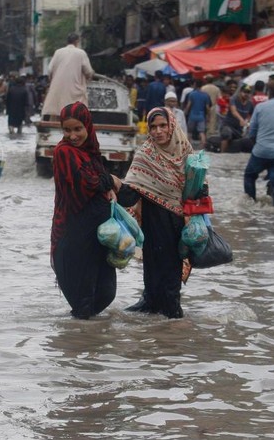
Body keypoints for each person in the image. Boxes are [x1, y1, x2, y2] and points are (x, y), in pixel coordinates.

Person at [117, 107, 193, 319]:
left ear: (172, 126)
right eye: (153, 127)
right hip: (152, 221)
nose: (158, 131)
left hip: (178, 222)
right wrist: (113, 185)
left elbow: (198, 185)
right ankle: (151, 306)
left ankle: (171, 315)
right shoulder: (145, 154)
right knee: (152, 266)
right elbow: (131, 192)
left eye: (163, 125)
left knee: (171, 269)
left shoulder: (185, 152)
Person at [50, 102, 118, 319]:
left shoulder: (91, 153)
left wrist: (111, 186)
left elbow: (101, 183)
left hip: (98, 238)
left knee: (106, 294)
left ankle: (86, 344)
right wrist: (112, 181)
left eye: (78, 129)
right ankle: (76, 348)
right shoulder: (64, 152)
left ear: (88, 126)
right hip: (74, 237)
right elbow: (88, 183)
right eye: (67, 130)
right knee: (83, 304)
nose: (72, 135)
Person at [41, 33, 95, 116]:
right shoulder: (81, 53)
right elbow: (88, 71)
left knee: (57, 113)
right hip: (75, 92)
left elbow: (50, 70)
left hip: (57, 91)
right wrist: (91, 74)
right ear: (77, 41)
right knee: (75, 114)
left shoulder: (58, 52)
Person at [220, 84, 253, 152]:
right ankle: (222, 153)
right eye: (244, 92)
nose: (246, 94)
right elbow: (233, 111)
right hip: (228, 125)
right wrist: (241, 119)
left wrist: (247, 121)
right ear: (240, 92)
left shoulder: (250, 104)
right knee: (227, 134)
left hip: (239, 129)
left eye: (248, 92)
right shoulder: (234, 99)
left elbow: (250, 114)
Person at [184, 80, 212, 149]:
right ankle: (203, 147)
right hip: (201, 116)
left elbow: (188, 105)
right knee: (202, 132)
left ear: (195, 84)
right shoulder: (205, 95)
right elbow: (207, 108)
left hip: (192, 115)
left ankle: (188, 147)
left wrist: (185, 113)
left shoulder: (192, 94)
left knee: (189, 132)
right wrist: (209, 116)